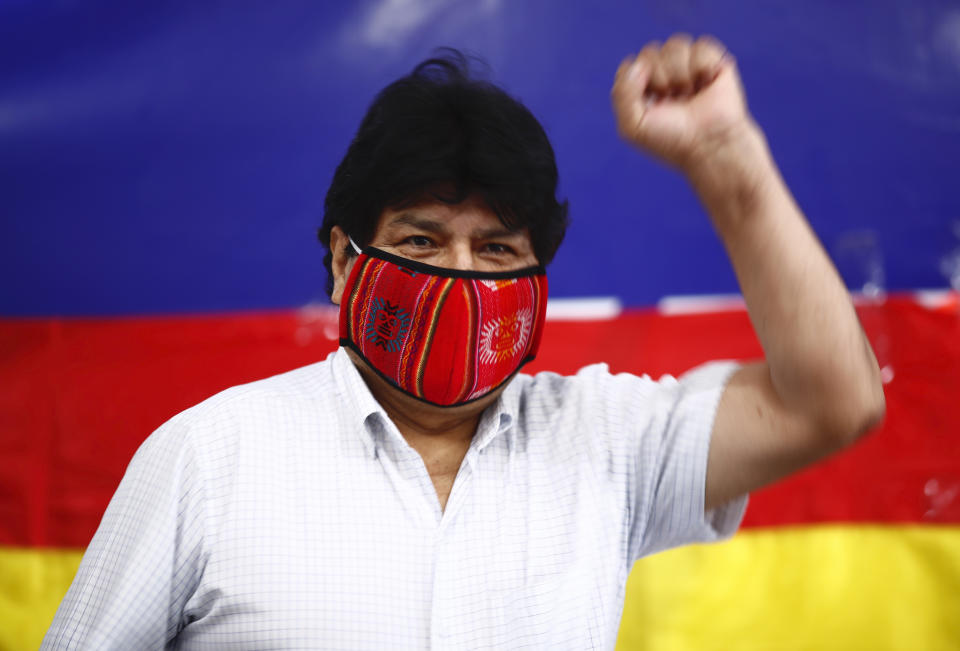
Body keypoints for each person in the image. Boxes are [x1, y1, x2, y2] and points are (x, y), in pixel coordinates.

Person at [43, 35, 885, 649]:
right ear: (344, 260)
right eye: (419, 241)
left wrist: (725, 157)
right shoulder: (209, 455)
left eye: (496, 251)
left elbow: (832, 403)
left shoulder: (605, 441)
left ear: (538, 277)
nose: (458, 275)